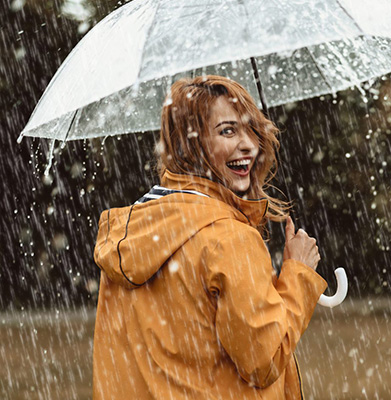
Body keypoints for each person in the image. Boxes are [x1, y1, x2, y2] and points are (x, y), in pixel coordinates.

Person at [92, 75, 327, 399]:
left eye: (251, 130)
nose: (248, 144)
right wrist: (297, 275)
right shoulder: (228, 239)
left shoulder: (133, 231)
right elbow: (263, 359)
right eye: (227, 131)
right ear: (190, 145)